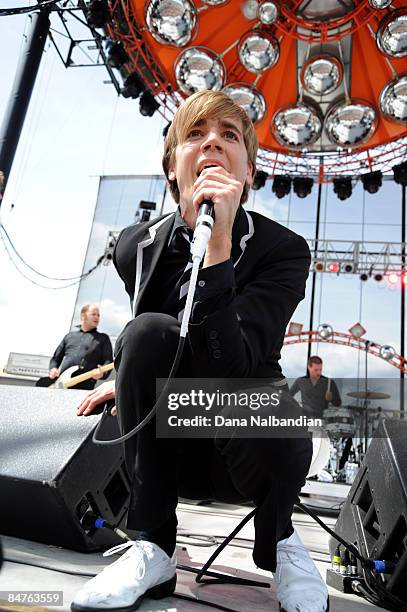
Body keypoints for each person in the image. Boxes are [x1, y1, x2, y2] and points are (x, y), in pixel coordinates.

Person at [71, 91, 328, 612]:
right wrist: (125, 377)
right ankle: (153, 546)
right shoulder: (135, 246)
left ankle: (280, 541)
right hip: (172, 447)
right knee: (143, 334)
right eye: (195, 134)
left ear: (248, 173)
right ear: (173, 166)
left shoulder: (284, 251)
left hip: (250, 443)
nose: (212, 141)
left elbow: (233, 366)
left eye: (229, 135)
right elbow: (156, 339)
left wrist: (219, 249)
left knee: (280, 414)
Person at [47, 303, 113, 390]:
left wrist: (102, 374)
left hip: (85, 387)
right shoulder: (69, 336)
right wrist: (53, 368)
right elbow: (55, 358)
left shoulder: (103, 338)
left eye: (98, 315)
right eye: (93, 314)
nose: (97, 317)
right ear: (83, 316)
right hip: (62, 384)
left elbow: (108, 361)